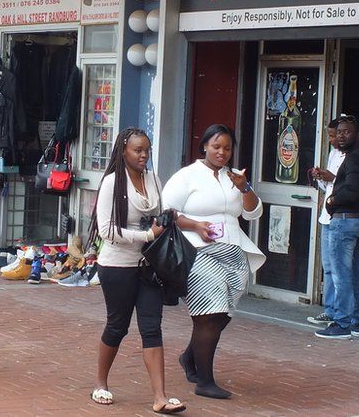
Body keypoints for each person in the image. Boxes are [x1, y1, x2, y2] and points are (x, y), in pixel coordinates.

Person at [162, 124, 264, 399]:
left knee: (223, 313)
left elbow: (253, 213)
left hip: (233, 250)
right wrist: (195, 225)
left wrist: (245, 189)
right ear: (204, 146)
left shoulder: (235, 178)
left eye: (227, 148)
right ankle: (204, 382)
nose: (222, 152)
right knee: (207, 315)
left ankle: (189, 357)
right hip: (198, 251)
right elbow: (166, 212)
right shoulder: (187, 176)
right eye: (216, 146)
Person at [89, 127, 185, 414]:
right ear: (123, 151)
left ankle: (160, 397)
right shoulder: (112, 183)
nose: (144, 155)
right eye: (138, 150)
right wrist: (147, 236)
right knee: (117, 327)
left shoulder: (153, 179)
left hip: (149, 267)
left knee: (152, 328)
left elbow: (163, 216)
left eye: (147, 150)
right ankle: (100, 383)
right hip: (117, 266)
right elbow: (106, 230)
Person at [316, 116, 359, 339]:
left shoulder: (356, 159)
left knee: (342, 274)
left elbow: (351, 191)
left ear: (358, 135)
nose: (341, 135)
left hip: (346, 221)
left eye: (346, 132)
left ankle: (342, 322)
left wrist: (331, 201)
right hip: (358, 221)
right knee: (355, 272)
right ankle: (357, 322)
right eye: (338, 132)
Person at [307, 118, 346, 326]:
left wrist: (333, 178)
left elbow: (350, 185)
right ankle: (330, 308)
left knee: (341, 268)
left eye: (335, 135)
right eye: (330, 135)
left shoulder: (353, 156)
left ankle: (340, 311)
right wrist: (321, 177)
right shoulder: (333, 154)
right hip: (326, 216)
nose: (332, 139)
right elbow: (326, 187)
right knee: (328, 266)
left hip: (340, 216)